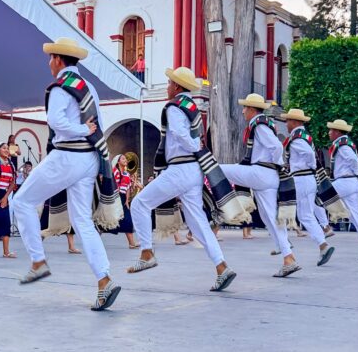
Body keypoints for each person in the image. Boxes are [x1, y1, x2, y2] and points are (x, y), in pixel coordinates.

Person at [12, 37, 121, 311]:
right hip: (89, 159)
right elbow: (96, 122)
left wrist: (83, 130)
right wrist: (87, 132)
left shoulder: (60, 86)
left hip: (67, 156)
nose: (49, 63)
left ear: (58, 60)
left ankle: (38, 261)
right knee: (82, 221)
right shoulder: (88, 87)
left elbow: (56, 121)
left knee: (21, 201)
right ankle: (104, 280)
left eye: (51, 58)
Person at [127, 67, 237, 289]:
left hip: (180, 169)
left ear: (177, 86)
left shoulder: (175, 106)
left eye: (170, 83)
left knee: (139, 204)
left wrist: (194, 146)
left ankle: (147, 253)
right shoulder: (192, 106)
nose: (168, 87)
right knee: (198, 223)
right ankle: (221, 266)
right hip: (193, 171)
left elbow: (179, 134)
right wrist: (196, 147)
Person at [220, 94, 300, 276]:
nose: (242, 111)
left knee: (217, 169)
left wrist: (276, 164)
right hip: (266, 175)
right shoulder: (263, 123)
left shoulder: (259, 124)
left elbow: (276, 147)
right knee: (269, 217)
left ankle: (216, 203)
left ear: (251, 109)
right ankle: (288, 256)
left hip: (261, 173)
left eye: (245, 108)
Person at [280, 108, 336, 265]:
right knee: (306, 214)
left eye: (288, 120)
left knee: (301, 214)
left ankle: (321, 245)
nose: (286, 123)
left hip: (302, 178)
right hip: (306, 178)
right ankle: (321, 243)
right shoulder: (303, 135)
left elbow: (309, 155)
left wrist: (308, 166)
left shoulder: (297, 138)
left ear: (295, 122)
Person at [326, 120, 358, 260]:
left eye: (331, 130)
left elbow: (352, 160)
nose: (329, 132)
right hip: (350, 182)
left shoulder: (342, 145)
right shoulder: (344, 143)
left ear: (337, 131)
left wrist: (356, 172)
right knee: (355, 216)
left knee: (318, 196)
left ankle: (325, 228)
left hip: (345, 181)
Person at [106, 153, 138, 250]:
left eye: (125, 159)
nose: (125, 160)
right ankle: (94, 239)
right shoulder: (115, 171)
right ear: (118, 161)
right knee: (107, 221)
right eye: (123, 159)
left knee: (127, 219)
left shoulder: (127, 174)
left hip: (123, 198)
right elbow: (111, 184)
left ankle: (132, 243)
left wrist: (127, 200)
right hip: (115, 197)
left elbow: (127, 188)